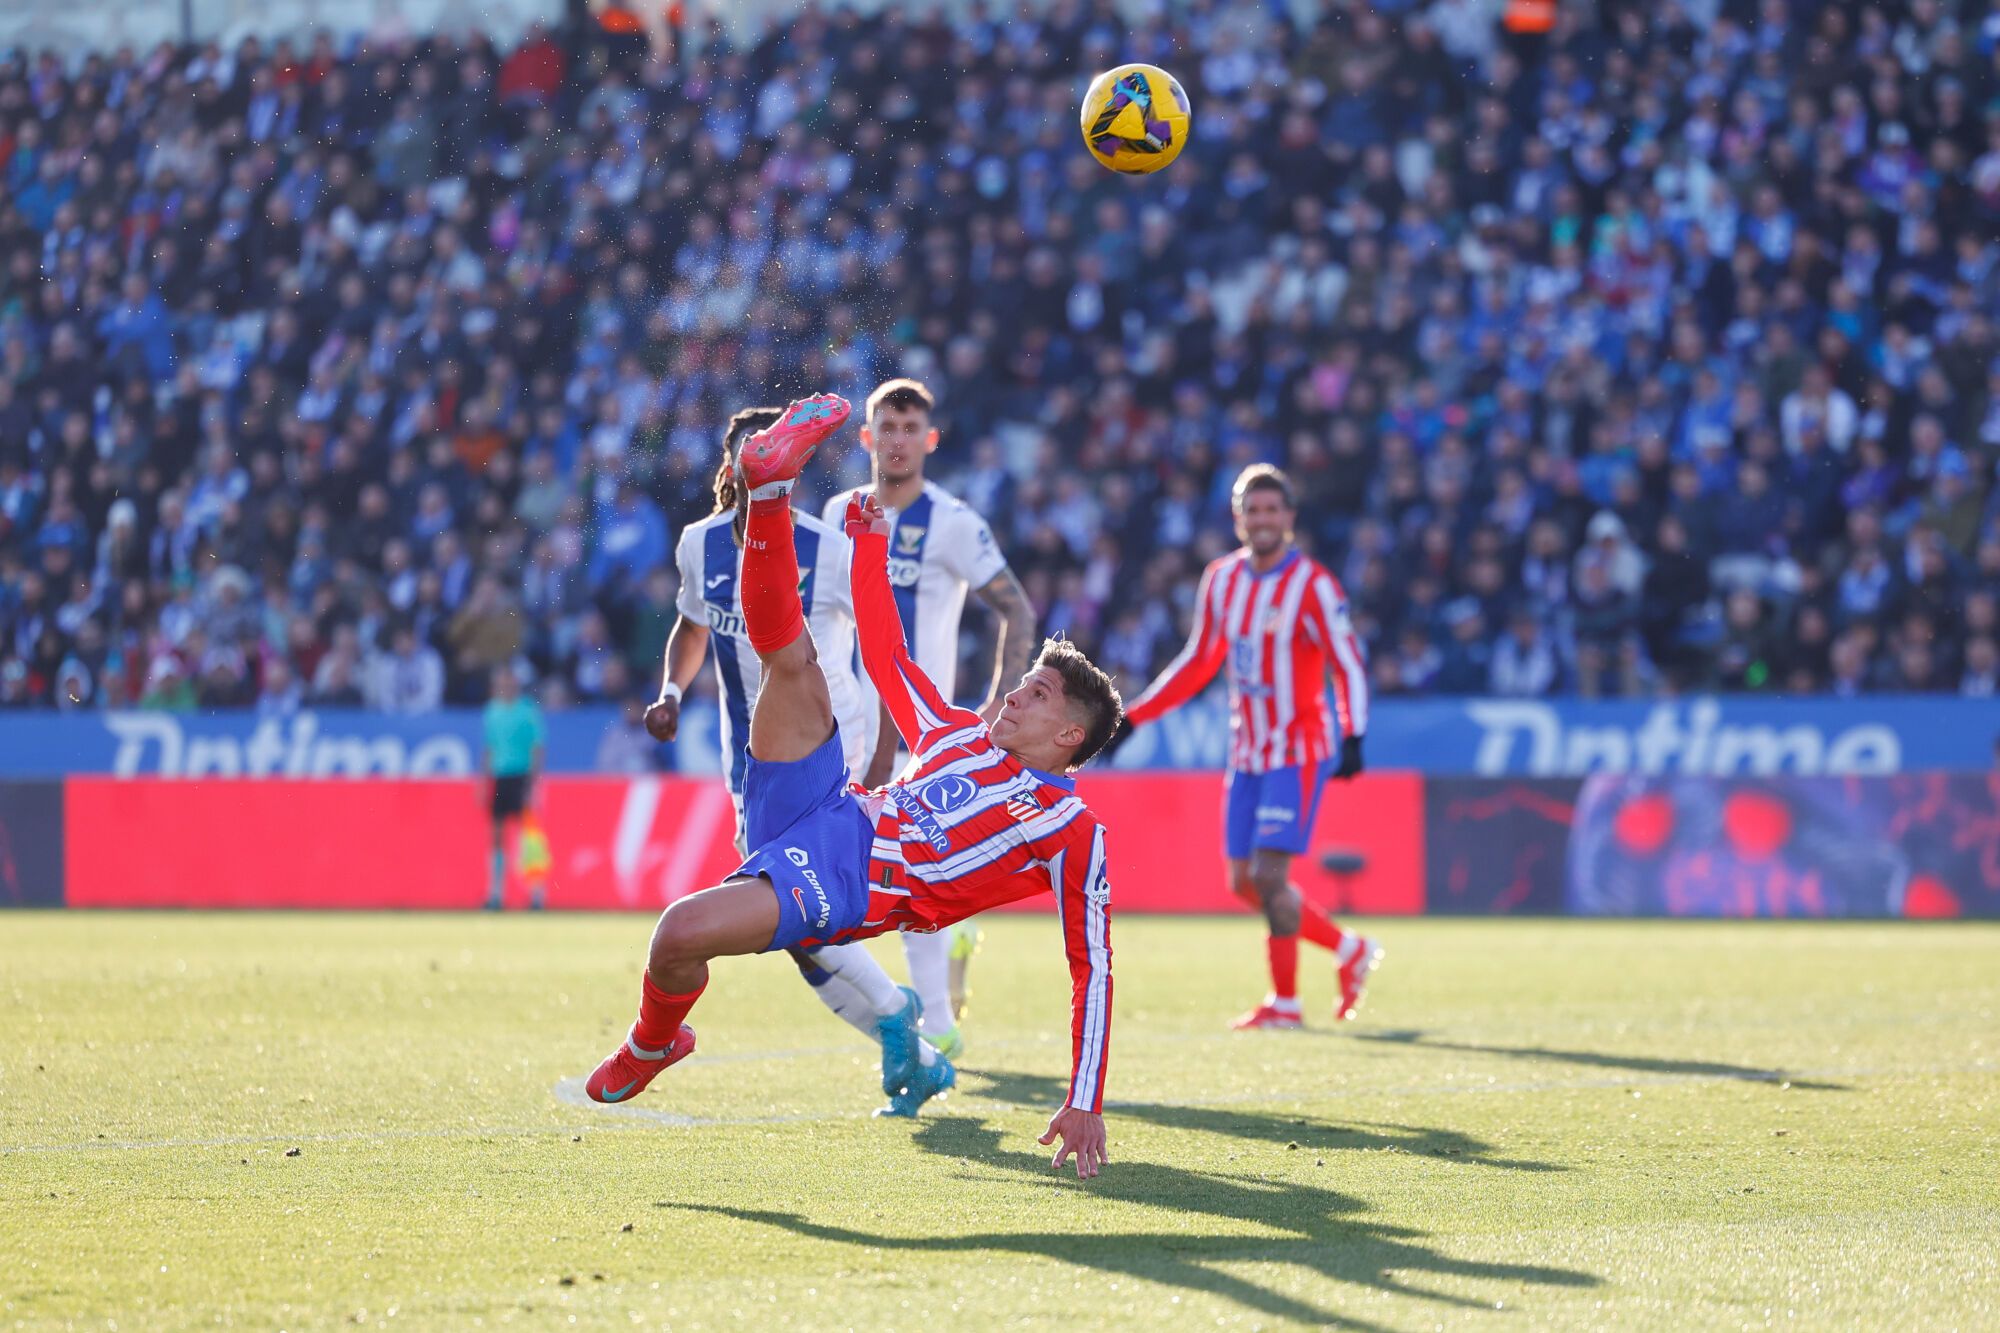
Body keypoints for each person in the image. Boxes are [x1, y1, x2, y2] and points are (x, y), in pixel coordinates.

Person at [585, 395, 1121, 1179]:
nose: (1012, 695)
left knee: (676, 936)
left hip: (852, 877)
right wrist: (869, 544)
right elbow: (887, 651)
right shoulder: (957, 733)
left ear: (1070, 735)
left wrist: (1085, 1095)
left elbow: (1094, 965)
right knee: (794, 662)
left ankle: (655, 1039)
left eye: (1036, 695)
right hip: (829, 807)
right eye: (1023, 685)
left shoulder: (1070, 830)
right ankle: (770, 492)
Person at [642, 407, 955, 1115]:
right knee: (799, 928)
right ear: (729, 469)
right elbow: (691, 628)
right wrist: (668, 690)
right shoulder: (698, 545)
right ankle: (917, 1049)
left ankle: (901, 1013)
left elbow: (878, 640)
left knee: (795, 909)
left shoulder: (824, 547)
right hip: (749, 760)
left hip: (825, 746)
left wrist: (881, 746)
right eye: (745, 455)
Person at [1118, 464, 1380, 1030]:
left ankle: (1285, 1003)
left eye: (1271, 510)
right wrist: (1137, 716)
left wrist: (1353, 733)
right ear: (1238, 519)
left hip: (1298, 749)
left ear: (1289, 518)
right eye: (1251, 511)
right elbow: (1199, 661)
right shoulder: (1221, 579)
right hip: (1247, 752)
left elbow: (1347, 661)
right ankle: (1348, 948)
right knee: (1243, 882)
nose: (1261, 520)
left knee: (1267, 875)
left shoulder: (1313, 584)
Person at [821, 379, 1038, 1060]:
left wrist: (1003, 707)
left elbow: (1019, 611)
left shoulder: (953, 521)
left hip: (929, 736)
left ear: (930, 439)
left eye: (911, 428)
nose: (898, 439)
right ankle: (936, 980)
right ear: (866, 438)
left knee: (915, 870)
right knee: (865, 877)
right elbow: (820, 617)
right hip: (854, 726)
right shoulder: (839, 513)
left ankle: (936, 1021)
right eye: (886, 426)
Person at [482, 665, 548, 911]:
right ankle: (495, 895)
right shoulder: (491, 712)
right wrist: (484, 781)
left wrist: (534, 783)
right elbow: (489, 749)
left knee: (530, 837)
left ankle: (537, 896)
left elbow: (537, 749)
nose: (506, 687)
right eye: (502, 682)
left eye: (510, 682)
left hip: (522, 777)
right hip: (500, 777)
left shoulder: (528, 711)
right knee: (497, 837)